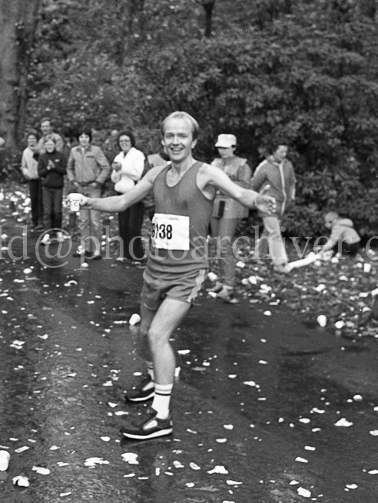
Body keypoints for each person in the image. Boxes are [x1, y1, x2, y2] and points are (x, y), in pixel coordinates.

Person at [76, 112, 276, 440]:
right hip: (155, 269)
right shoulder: (155, 173)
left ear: (194, 141)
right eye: (169, 135)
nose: (175, 141)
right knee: (143, 333)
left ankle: (161, 417)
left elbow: (241, 194)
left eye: (182, 136)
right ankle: (157, 379)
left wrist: (260, 201)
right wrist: (88, 201)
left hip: (188, 272)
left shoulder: (206, 173)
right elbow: (124, 200)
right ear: (163, 139)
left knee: (157, 335)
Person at [208, 134, 253, 302]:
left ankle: (229, 285)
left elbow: (244, 187)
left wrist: (223, 185)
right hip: (215, 204)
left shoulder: (242, 165)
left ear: (234, 147)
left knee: (224, 243)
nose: (222, 151)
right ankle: (221, 280)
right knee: (216, 243)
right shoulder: (215, 163)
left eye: (226, 148)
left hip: (232, 205)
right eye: (220, 147)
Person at [251, 143, 296, 273]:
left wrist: (292, 198)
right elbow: (253, 185)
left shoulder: (288, 165)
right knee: (275, 233)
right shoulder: (264, 166)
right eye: (281, 152)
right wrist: (259, 200)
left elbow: (292, 182)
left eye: (285, 152)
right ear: (274, 152)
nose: (284, 154)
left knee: (269, 231)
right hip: (268, 205)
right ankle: (279, 263)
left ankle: (258, 256)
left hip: (283, 205)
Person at [67, 128, 110, 259]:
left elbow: (106, 167)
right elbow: (69, 167)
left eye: (86, 136)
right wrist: (72, 180)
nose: (84, 139)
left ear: (90, 138)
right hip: (80, 187)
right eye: (81, 137)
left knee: (95, 220)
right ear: (78, 139)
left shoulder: (96, 151)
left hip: (93, 187)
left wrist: (98, 181)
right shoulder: (74, 151)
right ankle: (86, 248)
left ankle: (97, 249)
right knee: (84, 220)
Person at [111, 131, 146, 261]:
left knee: (133, 226)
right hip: (121, 193)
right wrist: (116, 171)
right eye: (121, 141)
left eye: (126, 141)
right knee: (123, 224)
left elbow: (137, 174)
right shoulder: (118, 156)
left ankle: (137, 255)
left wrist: (122, 168)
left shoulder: (138, 155)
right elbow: (114, 179)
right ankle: (125, 254)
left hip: (134, 193)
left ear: (131, 141)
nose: (124, 143)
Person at [38, 138, 66, 244]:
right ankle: (47, 233)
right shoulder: (42, 157)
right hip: (46, 187)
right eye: (47, 144)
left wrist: (55, 167)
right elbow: (40, 172)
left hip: (58, 187)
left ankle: (58, 231)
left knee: (57, 211)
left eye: (51, 144)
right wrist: (48, 168)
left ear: (55, 145)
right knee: (47, 212)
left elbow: (65, 170)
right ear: (45, 146)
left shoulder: (61, 156)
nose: (49, 146)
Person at [21, 132, 43, 230]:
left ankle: (41, 222)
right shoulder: (25, 152)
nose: (31, 141)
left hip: (41, 178)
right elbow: (23, 165)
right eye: (29, 139)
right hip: (32, 178)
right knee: (34, 199)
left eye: (33, 139)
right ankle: (34, 220)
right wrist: (26, 173)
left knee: (41, 200)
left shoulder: (41, 151)